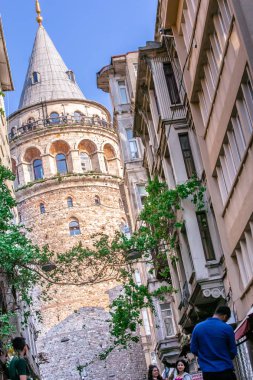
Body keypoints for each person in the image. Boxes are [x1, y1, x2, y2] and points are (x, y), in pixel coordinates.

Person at [190, 306, 237, 380]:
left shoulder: (198, 327)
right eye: (226, 320)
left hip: (208, 373)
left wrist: (204, 356)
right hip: (226, 371)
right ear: (225, 316)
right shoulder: (227, 328)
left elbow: (193, 349)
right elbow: (233, 352)